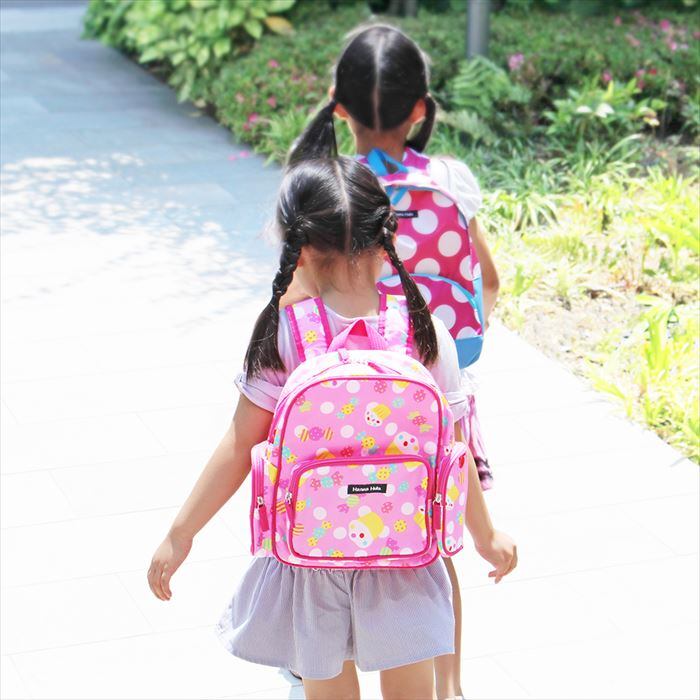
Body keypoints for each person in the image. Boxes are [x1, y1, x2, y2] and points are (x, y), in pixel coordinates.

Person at [147, 157, 516, 700]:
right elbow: (453, 452)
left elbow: (240, 443)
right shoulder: (425, 330)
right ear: (387, 237)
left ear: (297, 250)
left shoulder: (285, 332)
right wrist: (486, 536)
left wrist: (181, 534)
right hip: (405, 552)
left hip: (312, 555)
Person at [284, 24, 501, 698]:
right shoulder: (451, 181)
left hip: (335, 410)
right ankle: (448, 683)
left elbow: (294, 296)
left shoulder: (330, 189)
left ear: (338, 106)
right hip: (431, 395)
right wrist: (456, 351)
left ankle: (325, 660)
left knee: (333, 531)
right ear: (420, 108)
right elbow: (489, 282)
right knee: (429, 540)